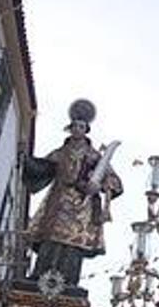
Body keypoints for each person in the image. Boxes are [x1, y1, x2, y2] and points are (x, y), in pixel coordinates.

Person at [23, 100, 123, 292]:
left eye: (81, 126)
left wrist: (98, 185)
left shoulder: (94, 156)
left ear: (86, 130)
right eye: (74, 126)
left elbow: (113, 181)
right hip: (58, 202)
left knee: (73, 244)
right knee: (51, 239)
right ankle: (40, 275)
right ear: (70, 129)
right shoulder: (60, 153)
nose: (77, 129)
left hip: (81, 205)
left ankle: (69, 280)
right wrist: (24, 159)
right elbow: (43, 167)